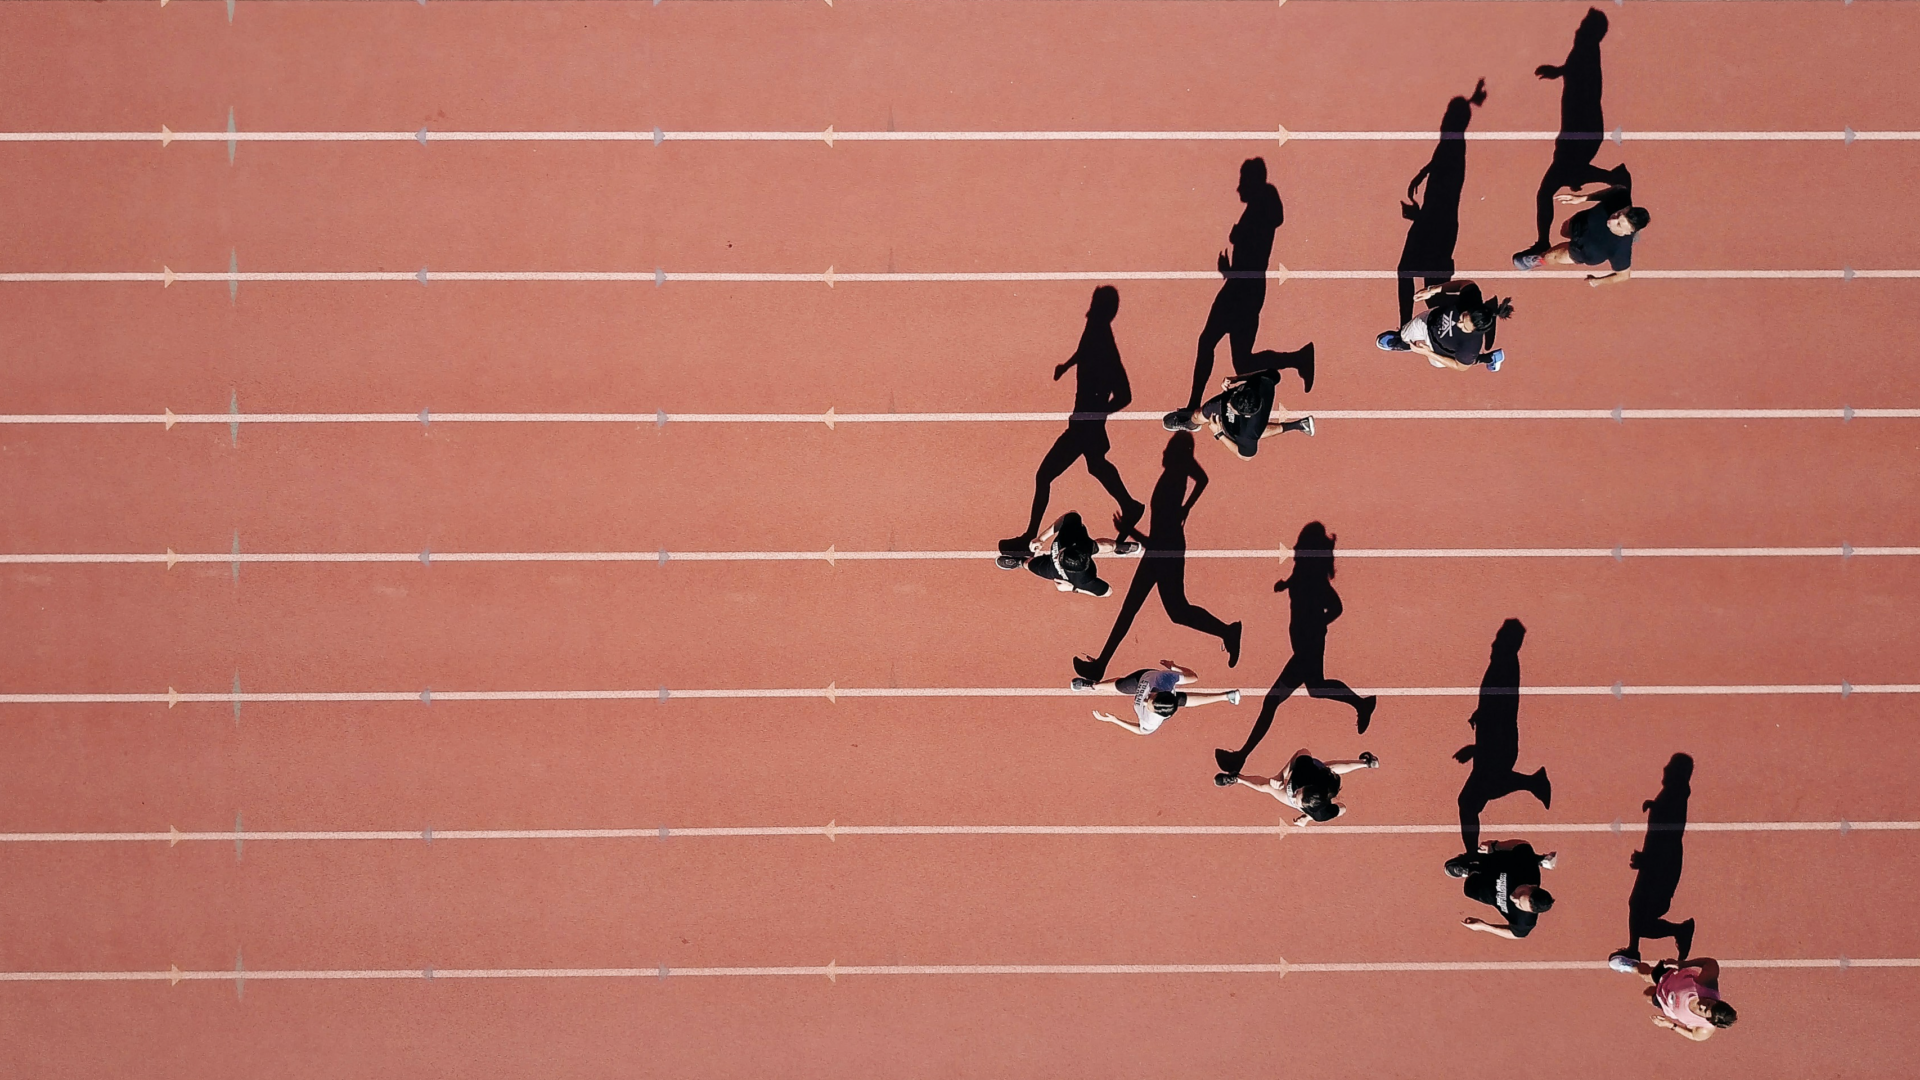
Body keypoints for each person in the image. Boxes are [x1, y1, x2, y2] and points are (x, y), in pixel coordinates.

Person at [1072, 433, 1243, 682]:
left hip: (1166, 549)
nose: (1163, 454)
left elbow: (1161, 536)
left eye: (1167, 450)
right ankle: (1101, 665)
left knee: (1170, 610)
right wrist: (1185, 509)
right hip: (1164, 548)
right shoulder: (1177, 474)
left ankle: (1227, 631)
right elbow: (1202, 480)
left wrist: (1130, 531)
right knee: (1149, 609)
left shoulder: (1174, 478)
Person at [1215, 523, 1378, 779]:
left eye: (1300, 545)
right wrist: (1286, 584)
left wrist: (1316, 626)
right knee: (1316, 688)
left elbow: (1336, 607)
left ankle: (1241, 756)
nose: (1296, 549)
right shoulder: (1303, 573)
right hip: (1305, 644)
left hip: (1308, 647)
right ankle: (1362, 704)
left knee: (1272, 701)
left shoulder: (1313, 579)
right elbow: (1303, 587)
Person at [1163, 158, 1313, 433]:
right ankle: (1297, 359)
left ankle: (1193, 410)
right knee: (1239, 359)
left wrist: (1233, 254)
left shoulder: (1260, 209)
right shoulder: (1262, 208)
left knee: (1209, 341)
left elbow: (1254, 244)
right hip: (1247, 287)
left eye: (1243, 180)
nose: (1239, 188)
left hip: (1242, 289)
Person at [998, 286, 1146, 564]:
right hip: (1084, 424)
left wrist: (1095, 414)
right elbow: (1084, 350)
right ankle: (1130, 504)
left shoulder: (1104, 341)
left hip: (1083, 426)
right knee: (1096, 465)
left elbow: (1125, 395)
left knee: (1044, 476)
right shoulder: (1095, 331)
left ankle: (1029, 539)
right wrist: (1067, 365)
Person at [1455, 619, 1552, 852]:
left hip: (1497, 747)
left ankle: (1472, 857)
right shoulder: (1503, 663)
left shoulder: (1505, 666)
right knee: (1479, 795)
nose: (1493, 642)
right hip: (1496, 743)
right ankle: (1533, 782)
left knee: (1468, 803)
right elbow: (1496, 705)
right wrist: (1479, 714)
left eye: (1499, 638)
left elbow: (1501, 711)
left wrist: (1476, 749)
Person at [1512, 169, 1647, 286]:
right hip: (1581, 223)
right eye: (1618, 214)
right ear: (1626, 208)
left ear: (1628, 232)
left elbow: (1624, 276)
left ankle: (1538, 260)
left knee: (1551, 256)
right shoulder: (1621, 198)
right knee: (1564, 230)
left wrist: (1597, 281)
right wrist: (1582, 198)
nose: (1612, 220)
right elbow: (1615, 191)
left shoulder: (1620, 249)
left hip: (1584, 251)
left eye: (1618, 224)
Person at [1215, 749, 1379, 827]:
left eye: (1296, 799)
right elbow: (1303, 752)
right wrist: (1281, 775)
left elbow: (1342, 808)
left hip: (1321, 793)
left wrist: (1308, 818)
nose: (1293, 796)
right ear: (1306, 787)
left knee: (1268, 788)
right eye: (1298, 793)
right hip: (1316, 773)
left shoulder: (1321, 814)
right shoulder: (1305, 773)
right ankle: (1366, 762)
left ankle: (1237, 778)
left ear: (1307, 807)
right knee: (1328, 768)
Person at [1072, 659, 1241, 734]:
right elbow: (1193, 677)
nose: (1146, 699)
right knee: (1121, 685)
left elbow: (1140, 731)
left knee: (1184, 701)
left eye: (1149, 703)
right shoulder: (1164, 678)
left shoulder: (1151, 721)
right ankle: (1093, 685)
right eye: (1151, 697)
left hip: (1162, 699)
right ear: (1163, 692)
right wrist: (1175, 667)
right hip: (1144, 677)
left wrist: (1114, 720)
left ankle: (1227, 696)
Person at [1376, 280, 1511, 372]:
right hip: (1428, 321)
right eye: (1463, 317)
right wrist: (1432, 290)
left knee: (1440, 363)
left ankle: (1487, 358)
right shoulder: (1471, 298)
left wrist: (1429, 353)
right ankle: (1404, 343)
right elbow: (1465, 284)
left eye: (1464, 327)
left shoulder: (1471, 345)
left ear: (1476, 331)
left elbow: (1461, 366)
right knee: (1405, 334)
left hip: (1438, 351)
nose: (1458, 323)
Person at [1448, 839, 1558, 940]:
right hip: (1502, 866)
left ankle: (1471, 871)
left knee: (1469, 889)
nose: (1513, 898)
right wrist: (1495, 846)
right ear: (1531, 886)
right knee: (1488, 858)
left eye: (1519, 905)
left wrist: (1484, 926)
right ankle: (1475, 865)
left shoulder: (1525, 921)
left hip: (1492, 895)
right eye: (1520, 894)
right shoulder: (1526, 868)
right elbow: (1521, 845)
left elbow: (1516, 934)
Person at [1004, 512, 1132, 597]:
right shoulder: (1071, 537)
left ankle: (1021, 562)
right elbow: (1070, 516)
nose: (1057, 553)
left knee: (1029, 564)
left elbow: (1107, 592)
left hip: (1053, 571)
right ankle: (1120, 546)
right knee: (1098, 546)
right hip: (1082, 548)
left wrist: (1073, 589)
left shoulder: (1084, 581)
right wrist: (1041, 538)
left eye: (1059, 555)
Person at [1197, 369, 1314, 459]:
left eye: (1232, 406)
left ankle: (1299, 425)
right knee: (1255, 433)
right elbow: (1273, 374)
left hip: (1249, 427)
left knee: (1244, 435)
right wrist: (1236, 379)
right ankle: (1301, 424)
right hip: (1258, 415)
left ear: (1244, 415)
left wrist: (1219, 433)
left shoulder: (1248, 430)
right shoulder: (1261, 382)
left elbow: (1245, 456)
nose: (1228, 404)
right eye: (1232, 399)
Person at [1615, 957, 1738, 1040]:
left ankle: (1652, 986)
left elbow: (1694, 1036)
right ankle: (1631, 965)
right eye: (1710, 1003)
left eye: (1704, 1011)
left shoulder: (1705, 1029)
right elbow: (1710, 963)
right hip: (1669, 978)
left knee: (1647, 994)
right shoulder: (1706, 985)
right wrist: (1684, 964)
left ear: (1709, 1020)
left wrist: (1671, 1025)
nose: (1703, 1005)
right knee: (1645, 974)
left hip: (1666, 1003)